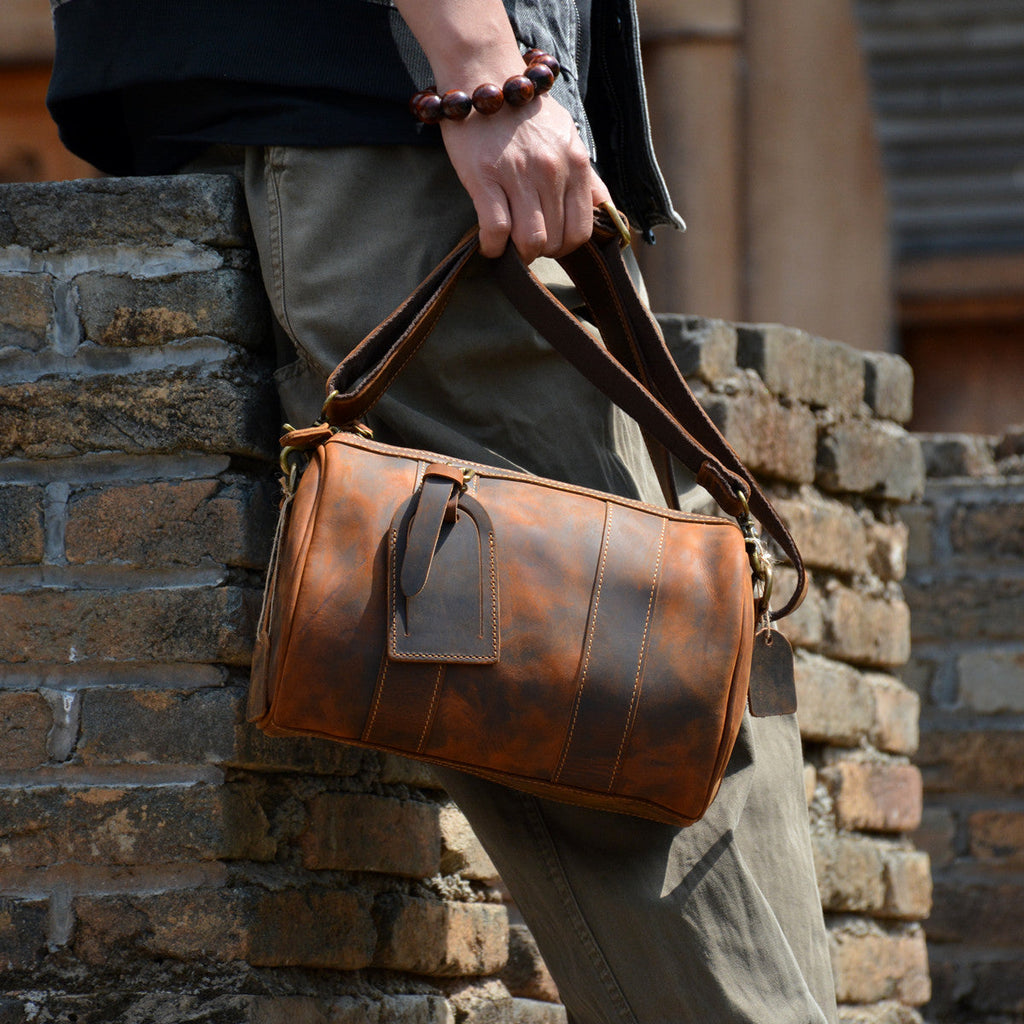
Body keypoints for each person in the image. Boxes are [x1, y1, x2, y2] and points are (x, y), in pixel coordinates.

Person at [48, 2, 840, 1020]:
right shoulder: (466, 95)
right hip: (417, 133)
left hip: (436, 135)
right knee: (637, 702)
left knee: (700, 666)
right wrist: (481, 71)